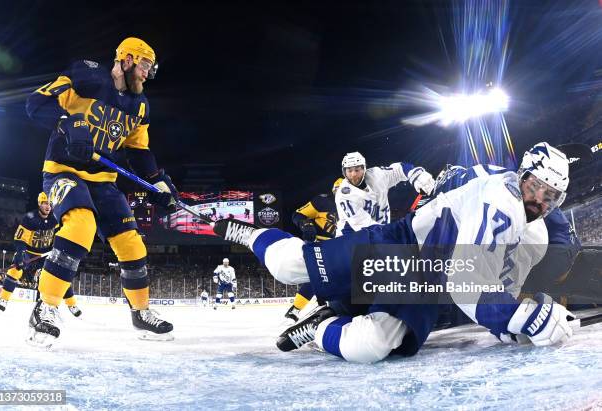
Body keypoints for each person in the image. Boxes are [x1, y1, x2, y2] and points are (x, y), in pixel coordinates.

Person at [214, 142, 575, 363]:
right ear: (522, 176)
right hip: (400, 243)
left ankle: (318, 327)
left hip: (427, 281)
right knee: (290, 266)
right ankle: (254, 233)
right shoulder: (503, 200)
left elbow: (495, 282)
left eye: (550, 197)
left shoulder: (533, 232)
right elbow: (468, 283)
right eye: (534, 188)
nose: (538, 201)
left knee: (369, 345)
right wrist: (518, 317)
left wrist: (510, 326)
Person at [25, 37, 176, 346]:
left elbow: (139, 151)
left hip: (103, 180)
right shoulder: (86, 76)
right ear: (129, 59)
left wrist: (158, 181)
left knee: (132, 244)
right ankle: (45, 306)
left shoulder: (141, 105)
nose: (148, 74)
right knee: (81, 226)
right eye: (146, 65)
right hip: (63, 171)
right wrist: (68, 123)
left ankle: (140, 312)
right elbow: (35, 103)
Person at [0, 192, 81, 317]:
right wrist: (21, 253)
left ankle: (72, 304)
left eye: (50, 204)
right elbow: (20, 238)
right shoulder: (30, 218)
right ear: (39, 203)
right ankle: (4, 299)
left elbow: (64, 230)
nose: (48, 206)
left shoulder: (56, 217)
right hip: (29, 253)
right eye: (45, 203)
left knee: (59, 276)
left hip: (46, 254)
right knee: (15, 270)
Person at [283, 178, 342, 322]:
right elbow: (298, 214)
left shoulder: (358, 203)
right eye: (340, 190)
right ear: (334, 191)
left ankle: (330, 309)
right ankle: (296, 309)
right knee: (318, 277)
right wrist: (306, 225)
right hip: (321, 244)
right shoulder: (322, 202)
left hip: (342, 246)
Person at [335, 152, 435, 236]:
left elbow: (399, 169)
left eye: (357, 170)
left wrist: (416, 175)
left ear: (364, 169)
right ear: (344, 172)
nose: (353, 174)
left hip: (380, 234)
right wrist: (394, 233)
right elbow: (365, 228)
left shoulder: (377, 175)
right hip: (350, 239)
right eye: (349, 170)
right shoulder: (344, 196)